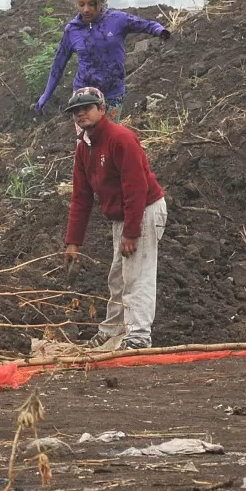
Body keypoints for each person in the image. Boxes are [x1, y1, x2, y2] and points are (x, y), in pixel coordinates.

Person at [63, 87, 167, 350]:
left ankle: (139, 337)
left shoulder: (120, 139)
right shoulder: (83, 148)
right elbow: (81, 197)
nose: (81, 114)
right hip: (121, 216)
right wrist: (73, 242)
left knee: (137, 275)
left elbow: (137, 187)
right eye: (76, 111)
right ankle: (112, 330)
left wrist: (132, 232)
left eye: (86, 108)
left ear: (102, 108)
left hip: (143, 209)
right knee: (118, 276)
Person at [36, 0, 170, 119]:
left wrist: (161, 31)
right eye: (81, 4)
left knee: (108, 139)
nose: (86, 9)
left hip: (113, 94)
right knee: (86, 140)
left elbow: (147, 25)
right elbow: (58, 65)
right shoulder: (72, 30)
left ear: (101, 2)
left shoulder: (117, 20)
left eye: (91, 4)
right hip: (84, 95)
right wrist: (45, 95)